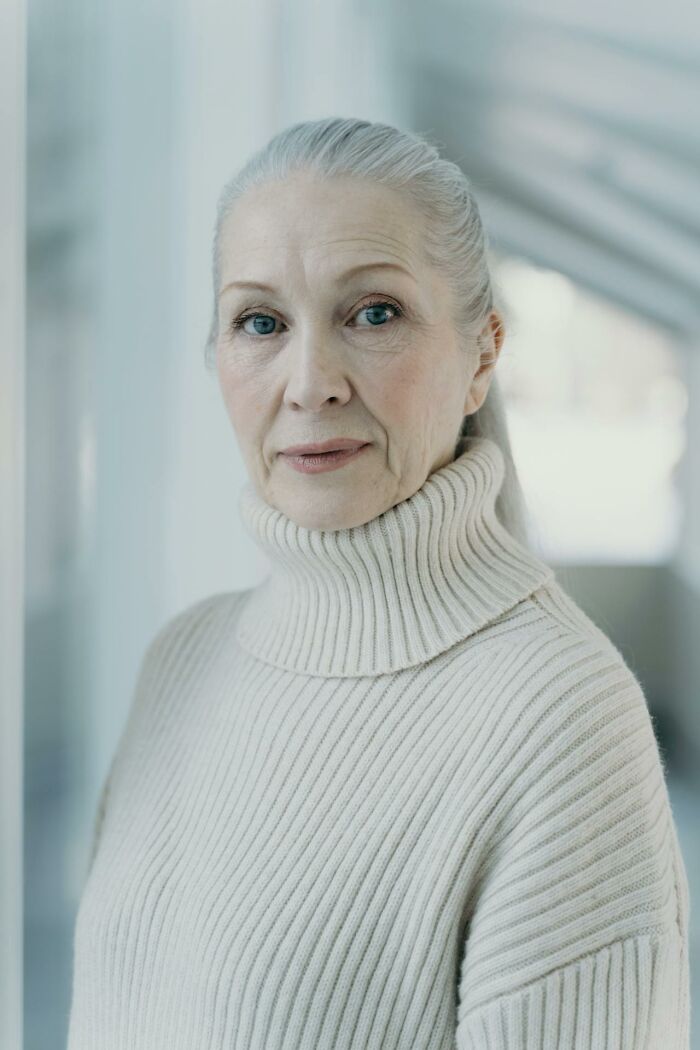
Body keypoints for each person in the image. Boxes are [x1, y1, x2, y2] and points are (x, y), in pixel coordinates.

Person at [66, 117, 690, 1049]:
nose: (309, 382)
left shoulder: (561, 719)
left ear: (483, 353)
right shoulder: (182, 663)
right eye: (261, 323)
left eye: (373, 313)